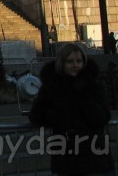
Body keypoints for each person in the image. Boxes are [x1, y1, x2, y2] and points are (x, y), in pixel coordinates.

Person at [29, 42, 114, 175]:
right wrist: (52, 116)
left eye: (79, 61)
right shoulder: (52, 87)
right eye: (70, 61)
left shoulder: (93, 85)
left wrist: (85, 99)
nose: (75, 65)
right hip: (66, 156)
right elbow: (35, 115)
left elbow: (104, 116)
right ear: (61, 63)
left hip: (94, 156)